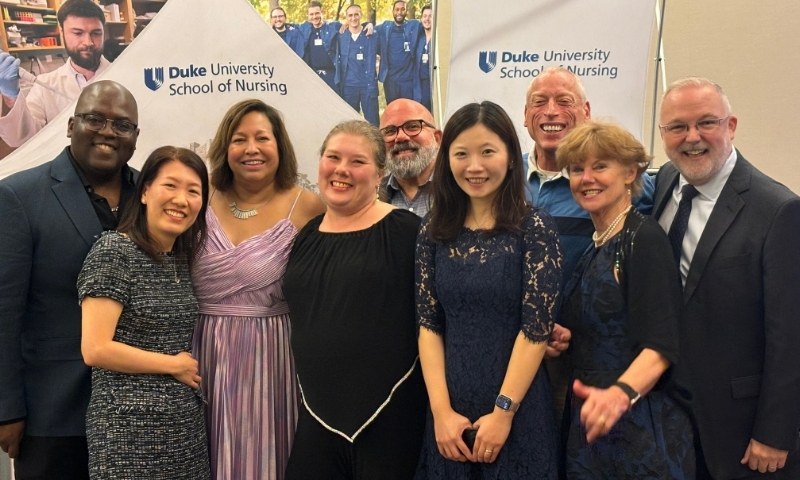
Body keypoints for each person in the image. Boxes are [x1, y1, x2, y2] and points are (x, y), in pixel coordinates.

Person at [653, 77, 800, 479]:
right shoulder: (666, 181)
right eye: (677, 127)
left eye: (707, 123)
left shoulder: (779, 211)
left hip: (743, 431)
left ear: (731, 126)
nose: (692, 138)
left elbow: (791, 336)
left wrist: (776, 432)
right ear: (663, 134)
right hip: (672, 418)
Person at [415, 101, 562, 479]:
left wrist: (503, 412)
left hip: (517, 406)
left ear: (512, 157)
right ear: (447, 159)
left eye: (488, 152)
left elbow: (536, 329)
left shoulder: (535, 227)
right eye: (461, 154)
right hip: (450, 410)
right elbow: (429, 326)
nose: (474, 166)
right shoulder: (432, 230)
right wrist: (441, 412)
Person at [0, 80, 138, 480]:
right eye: (95, 119)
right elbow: (4, 311)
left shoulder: (151, 194)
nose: (108, 131)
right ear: (71, 124)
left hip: (138, 408)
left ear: (134, 137)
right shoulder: (18, 196)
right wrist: (6, 406)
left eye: (122, 125)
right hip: (54, 411)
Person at [283, 120, 427, 479]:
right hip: (316, 415)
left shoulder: (409, 233)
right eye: (333, 157)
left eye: (357, 162)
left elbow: (441, 316)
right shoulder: (305, 238)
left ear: (381, 173)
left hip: (391, 416)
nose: (341, 170)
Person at [192, 99, 325, 480]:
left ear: (279, 146)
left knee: (266, 455)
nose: (251, 148)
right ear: (224, 148)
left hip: (272, 354)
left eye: (262, 138)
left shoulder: (308, 206)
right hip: (202, 352)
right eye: (239, 139)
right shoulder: (199, 199)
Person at [555, 121, 695, 478]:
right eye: (577, 169)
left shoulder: (642, 238)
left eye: (600, 166)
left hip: (639, 426)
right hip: (593, 422)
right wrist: (568, 338)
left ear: (631, 172)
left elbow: (662, 345)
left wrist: (618, 395)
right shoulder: (597, 243)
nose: (587, 178)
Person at [522, 66, 654, 421]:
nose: (550, 111)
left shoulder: (618, 190)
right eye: (539, 102)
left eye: (564, 101)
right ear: (525, 116)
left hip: (592, 363)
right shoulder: (504, 181)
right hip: (517, 355)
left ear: (586, 112)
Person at [78, 146, 211, 479]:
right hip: (127, 432)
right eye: (171, 185)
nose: (181, 199)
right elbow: (95, 349)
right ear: (146, 191)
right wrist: (174, 364)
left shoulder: (180, 259)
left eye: (193, 191)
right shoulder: (114, 251)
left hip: (184, 430)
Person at [0, 0, 110, 148]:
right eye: (78, 33)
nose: (88, 42)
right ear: (62, 31)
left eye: (96, 33)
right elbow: (22, 139)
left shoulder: (123, 74)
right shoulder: (45, 85)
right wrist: (11, 97)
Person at [378, 98, 440, 217]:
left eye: (412, 126)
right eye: (390, 131)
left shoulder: (462, 188)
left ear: (437, 138)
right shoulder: (369, 197)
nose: (400, 137)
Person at [336, 4, 380, 126]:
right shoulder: (341, 35)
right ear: (346, 17)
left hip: (368, 86)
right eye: (350, 15)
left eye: (356, 14)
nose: (353, 18)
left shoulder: (372, 35)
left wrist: (369, 24)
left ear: (361, 15)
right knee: (350, 124)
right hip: (349, 87)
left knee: (373, 123)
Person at [376, 1, 421, 105]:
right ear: (393, 11)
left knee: (408, 111)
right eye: (397, 9)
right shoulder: (385, 27)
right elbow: (368, 28)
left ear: (406, 11)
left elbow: (429, 24)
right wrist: (367, 24)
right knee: (393, 111)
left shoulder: (413, 26)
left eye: (402, 9)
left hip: (407, 81)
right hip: (390, 81)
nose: (399, 12)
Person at [298, 1, 341, 90]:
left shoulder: (334, 27)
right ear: (308, 16)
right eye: (311, 14)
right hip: (313, 75)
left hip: (331, 76)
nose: (314, 17)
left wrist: (367, 24)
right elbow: (287, 28)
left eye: (317, 13)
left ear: (322, 13)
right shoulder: (303, 29)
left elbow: (352, 25)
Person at [412, 4, 433, 112]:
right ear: (421, 19)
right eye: (425, 16)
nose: (427, 19)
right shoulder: (419, 40)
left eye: (430, 16)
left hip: (432, 85)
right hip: (420, 86)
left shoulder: (437, 41)